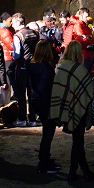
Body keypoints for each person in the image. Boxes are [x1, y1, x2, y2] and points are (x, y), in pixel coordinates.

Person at [51, 41, 94, 182]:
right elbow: (88, 90)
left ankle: (79, 171)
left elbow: (58, 89)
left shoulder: (60, 68)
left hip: (64, 107)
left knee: (77, 140)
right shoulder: (80, 70)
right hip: (78, 107)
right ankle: (77, 172)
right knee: (78, 140)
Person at [28, 41, 59, 173]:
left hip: (36, 99)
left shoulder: (32, 65)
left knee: (47, 131)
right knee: (48, 132)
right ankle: (44, 162)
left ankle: (45, 158)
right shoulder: (46, 68)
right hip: (44, 101)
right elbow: (44, 87)